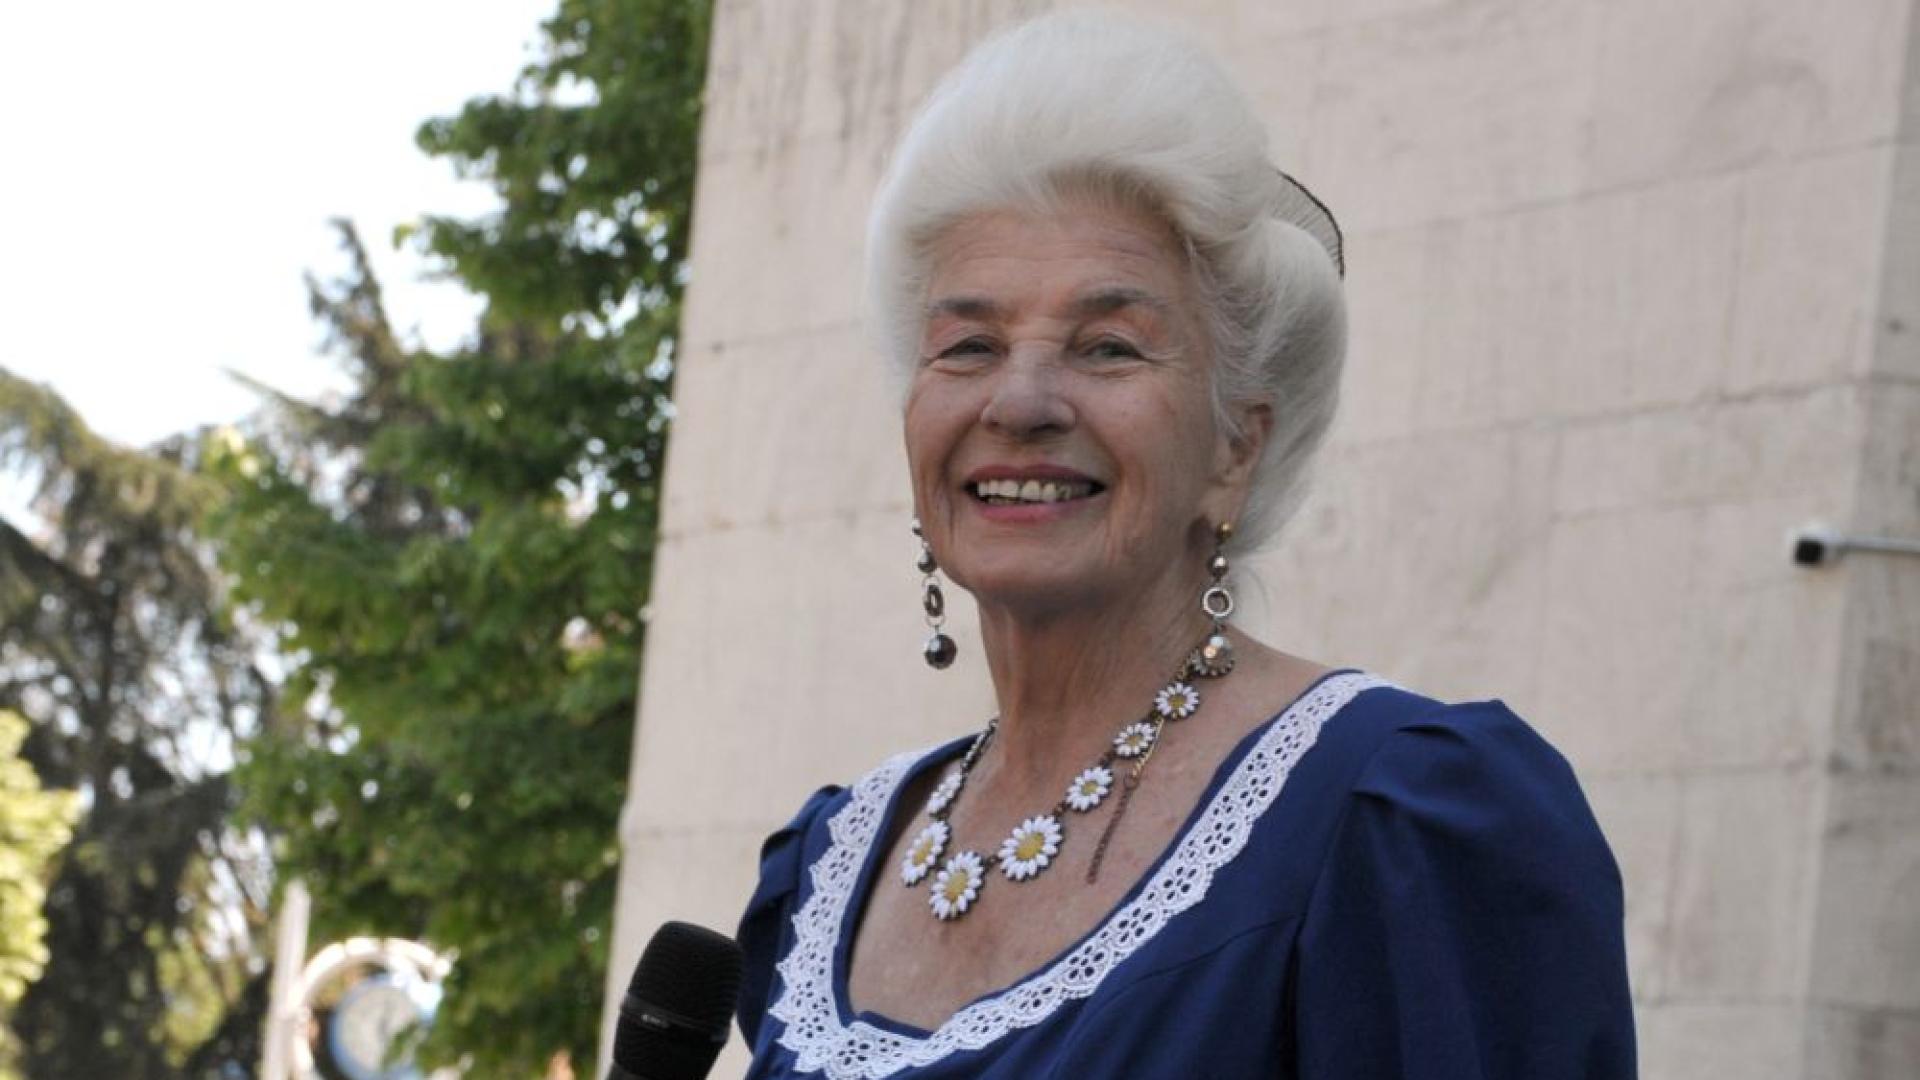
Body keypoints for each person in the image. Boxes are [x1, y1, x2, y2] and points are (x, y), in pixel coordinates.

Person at [734, 11, 1635, 1078]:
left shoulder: (1398, 823)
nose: (1019, 401)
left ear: (1235, 448)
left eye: (1108, 347)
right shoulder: (831, 862)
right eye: (968, 346)